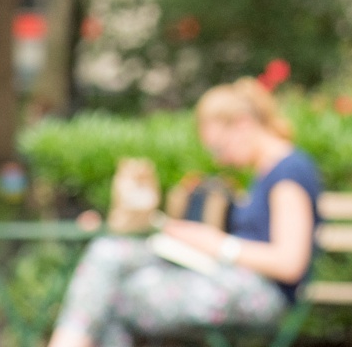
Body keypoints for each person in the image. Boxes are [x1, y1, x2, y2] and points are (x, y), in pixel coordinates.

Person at [46, 78, 322, 347]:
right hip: (232, 280)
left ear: (243, 125)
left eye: (219, 147)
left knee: (114, 295)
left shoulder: (288, 173)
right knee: (109, 255)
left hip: (261, 296)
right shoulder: (265, 173)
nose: (220, 159)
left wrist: (217, 244)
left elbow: (290, 262)